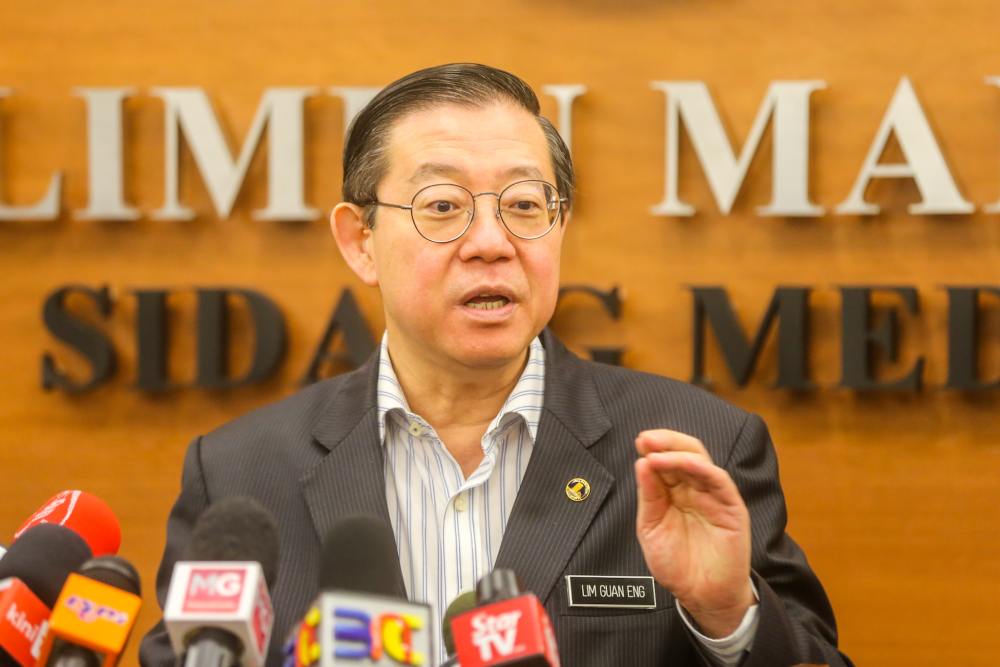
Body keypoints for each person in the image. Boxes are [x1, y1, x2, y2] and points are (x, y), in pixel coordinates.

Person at [140, 63, 852, 666]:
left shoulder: (694, 450)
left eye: (523, 204)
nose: (491, 241)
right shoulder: (240, 472)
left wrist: (728, 615)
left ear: (559, 224)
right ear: (360, 240)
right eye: (443, 205)